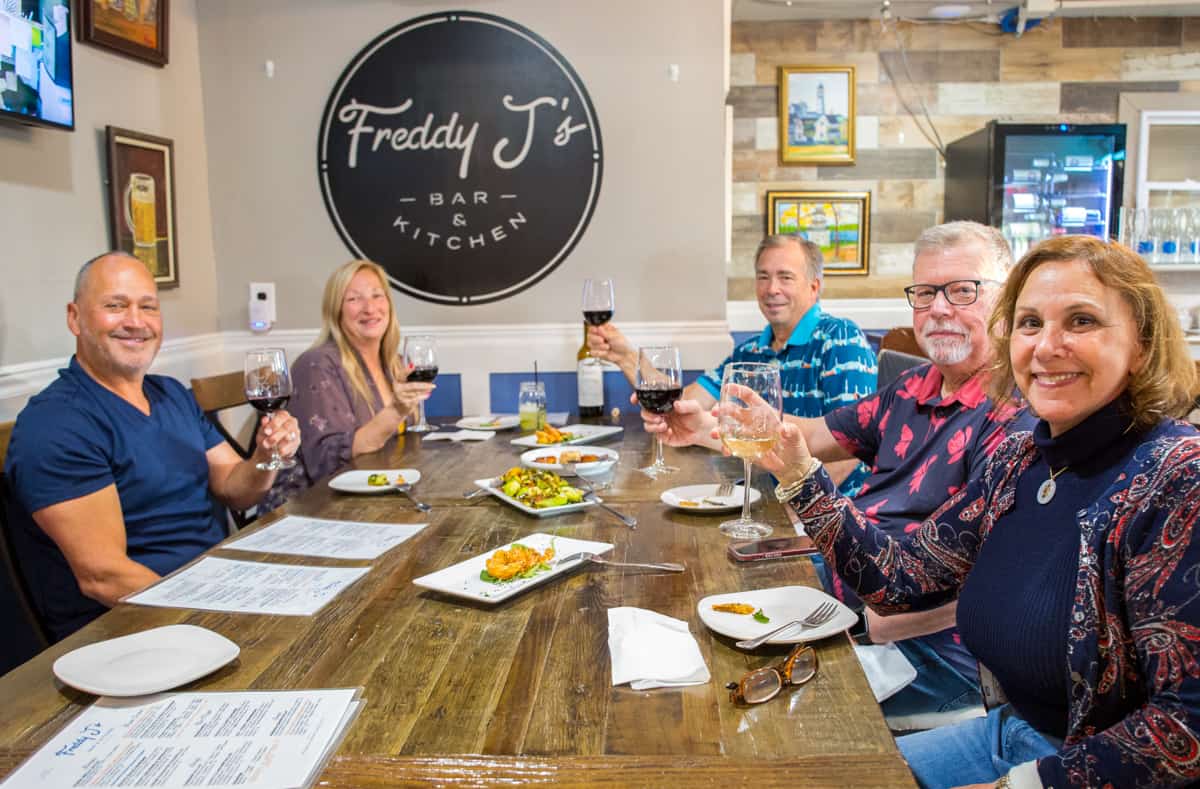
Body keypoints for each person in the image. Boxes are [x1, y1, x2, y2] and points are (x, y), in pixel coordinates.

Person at [764, 236, 1200, 788]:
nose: (1047, 346)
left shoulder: (1177, 478)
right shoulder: (1022, 459)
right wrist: (801, 476)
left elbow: (1187, 726)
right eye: (1030, 323)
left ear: (1142, 344)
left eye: (1082, 321)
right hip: (1011, 734)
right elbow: (902, 578)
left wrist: (1017, 786)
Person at [642, 221, 1026, 720]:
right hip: (834, 595)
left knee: (735, 708)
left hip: (922, 653)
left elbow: (918, 586)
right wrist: (704, 427)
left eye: (962, 290)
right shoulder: (913, 386)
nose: (938, 309)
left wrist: (804, 485)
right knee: (688, 603)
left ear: (1009, 298)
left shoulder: (1015, 418)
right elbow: (811, 436)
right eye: (926, 291)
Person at [4, 252, 301, 640]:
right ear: (74, 318)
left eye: (148, 307)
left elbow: (235, 488)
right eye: (115, 306)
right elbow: (105, 577)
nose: (135, 321)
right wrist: (217, 617)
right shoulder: (56, 424)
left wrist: (266, 456)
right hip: (127, 632)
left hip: (209, 594)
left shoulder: (171, 395)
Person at [589, 234, 877, 490]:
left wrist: (792, 514)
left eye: (785, 277)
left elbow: (848, 451)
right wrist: (625, 357)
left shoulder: (841, 339)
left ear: (814, 287)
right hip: (763, 492)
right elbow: (685, 402)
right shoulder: (750, 351)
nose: (771, 288)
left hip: (827, 515)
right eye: (763, 277)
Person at [261, 260, 434, 509]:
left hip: (371, 499)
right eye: (354, 299)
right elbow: (329, 463)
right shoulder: (317, 365)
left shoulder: (392, 363)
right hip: (310, 509)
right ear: (336, 310)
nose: (369, 308)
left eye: (377, 295)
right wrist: (397, 409)